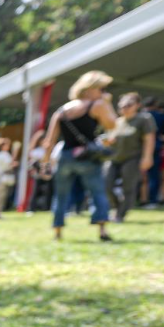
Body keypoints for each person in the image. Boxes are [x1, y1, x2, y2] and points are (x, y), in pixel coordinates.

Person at [43, 71, 117, 241]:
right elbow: (112, 124)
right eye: (102, 89)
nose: (104, 92)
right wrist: (107, 104)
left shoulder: (61, 110)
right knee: (97, 192)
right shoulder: (97, 105)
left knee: (61, 195)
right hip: (87, 156)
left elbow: (49, 141)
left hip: (65, 156)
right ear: (91, 89)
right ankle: (102, 231)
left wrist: (45, 163)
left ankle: (58, 231)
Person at [103, 92, 156, 223]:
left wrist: (147, 157)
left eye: (128, 105)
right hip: (113, 157)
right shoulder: (117, 121)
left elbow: (149, 139)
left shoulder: (144, 119)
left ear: (137, 105)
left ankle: (120, 215)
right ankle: (116, 207)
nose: (124, 108)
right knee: (105, 184)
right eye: (121, 106)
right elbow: (108, 138)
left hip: (133, 157)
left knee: (128, 187)